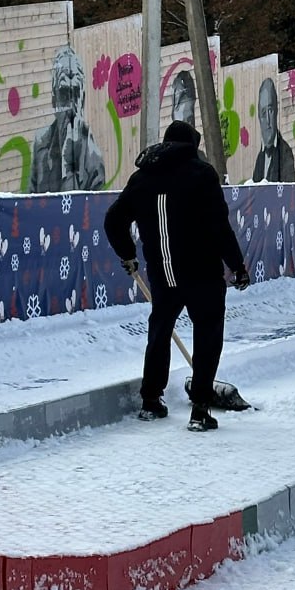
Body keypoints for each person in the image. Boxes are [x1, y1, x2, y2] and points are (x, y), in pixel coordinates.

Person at [104, 119, 250, 432]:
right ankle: (199, 409)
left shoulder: (141, 178)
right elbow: (218, 226)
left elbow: (114, 219)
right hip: (201, 271)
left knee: (160, 329)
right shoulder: (201, 174)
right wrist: (237, 265)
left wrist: (127, 254)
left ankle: (150, 401)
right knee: (207, 332)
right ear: (191, 146)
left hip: (162, 271)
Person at [29, 46, 105, 193]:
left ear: (82, 99)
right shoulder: (40, 145)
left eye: (75, 93)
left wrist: (68, 164)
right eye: (64, 94)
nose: (70, 106)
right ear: (54, 100)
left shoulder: (92, 154)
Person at [252, 76, 295, 182]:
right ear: (259, 117)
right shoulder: (260, 157)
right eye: (263, 113)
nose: (267, 120)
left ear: (276, 111)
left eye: (270, 110)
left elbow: (289, 192)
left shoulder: (285, 152)